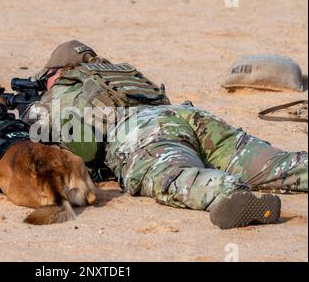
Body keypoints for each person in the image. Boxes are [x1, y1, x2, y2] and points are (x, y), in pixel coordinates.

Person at [21, 40, 308, 229]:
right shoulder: (122, 73)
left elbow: (32, 131)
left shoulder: (63, 88)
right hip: (190, 117)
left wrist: (27, 108)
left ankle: (228, 193)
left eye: (47, 77)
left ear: (58, 72)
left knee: (173, 176)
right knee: (275, 164)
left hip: (140, 131)